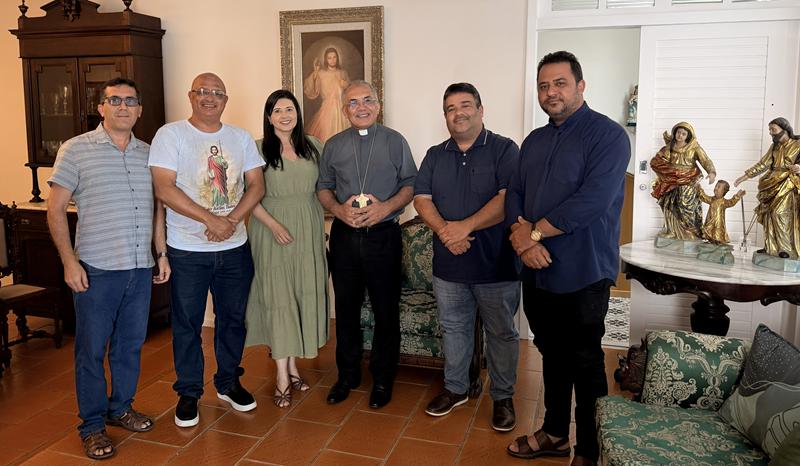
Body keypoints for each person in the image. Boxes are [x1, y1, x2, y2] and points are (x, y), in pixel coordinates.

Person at [504, 51, 630, 466]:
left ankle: (591, 450)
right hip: (536, 271)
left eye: (559, 83)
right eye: (544, 85)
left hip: (584, 270)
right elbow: (515, 193)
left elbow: (593, 200)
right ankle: (556, 433)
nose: (550, 92)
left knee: (585, 360)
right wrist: (524, 241)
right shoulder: (534, 141)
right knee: (551, 354)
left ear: (580, 86)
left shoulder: (608, 136)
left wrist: (534, 233)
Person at [47, 77, 170, 460]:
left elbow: (158, 208)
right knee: (91, 350)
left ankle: (120, 408)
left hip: (139, 268)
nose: (123, 107)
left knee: (129, 346)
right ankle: (92, 426)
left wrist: (161, 253)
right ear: (101, 107)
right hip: (96, 269)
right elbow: (55, 209)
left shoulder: (148, 154)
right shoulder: (76, 149)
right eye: (114, 100)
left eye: (130, 101)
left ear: (139, 110)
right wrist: (69, 262)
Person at [149, 72, 266, 427]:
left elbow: (256, 186)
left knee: (233, 319)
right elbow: (164, 189)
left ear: (225, 100)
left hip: (234, 249)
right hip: (187, 250)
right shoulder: (171, 135)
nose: (209, 97)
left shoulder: (240, 137)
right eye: (202, 91)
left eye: (217, 92)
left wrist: (230, 221)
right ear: (191, 96)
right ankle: (188, 392)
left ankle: (228, 382)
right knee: (187, 323)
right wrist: (210, 220)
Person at [414, 83, 520, 431]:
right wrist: (447, 232)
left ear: (480, 109)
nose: (458, 113)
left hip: (496, 265)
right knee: (454, 329)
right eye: (450, 108)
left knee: (501, 333)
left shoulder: (504, 149)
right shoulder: (435, 154)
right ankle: (456, 388)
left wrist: (464, 227)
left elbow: (507, 199)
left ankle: (502, 397)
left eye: (465, 105)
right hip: (449, 266)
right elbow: (421, 199)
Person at [317, 80, 417, 409]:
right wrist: (338, 210)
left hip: (384, 236)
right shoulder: (333, 145)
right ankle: (347, 376)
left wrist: (386, 208)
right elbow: (323, 188)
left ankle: (383, 378)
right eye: (353, 102)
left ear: (378, 105)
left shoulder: (395, 141)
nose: (361, 107)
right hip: (345, 237)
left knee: (386, 311)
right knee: (345, 310)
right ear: (344, 110)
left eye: (367, 100)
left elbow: (410, 183)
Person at [244, 89, 328, 408]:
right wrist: (274, 225)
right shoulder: (256, 149)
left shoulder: (314, 146)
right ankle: (281, 375)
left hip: (308, 228)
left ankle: (292, 366)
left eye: (289, 109)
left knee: (299, 296)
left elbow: (325, 188)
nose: (284, 115)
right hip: (271, 230)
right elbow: (247, 197)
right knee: (279, 299)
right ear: (269, 117)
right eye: (277, 110)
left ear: (297, 113)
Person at [735, 117, 800, 259]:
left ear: (784, 129)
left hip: (787, 183)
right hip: (771, 183)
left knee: (779, 213)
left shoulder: (798, 144)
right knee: (768, 215)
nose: (770, 132)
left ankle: (785, 248)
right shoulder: (774, 147)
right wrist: (745, 176)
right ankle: (771, 247)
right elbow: (763, 164)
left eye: (773, 129)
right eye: (770, 130)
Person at [650, 121, 716, 241]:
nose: (680, 135)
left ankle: (690, 232)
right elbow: (656, 160)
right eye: (678, 132)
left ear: (688, 136)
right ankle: (671, 230)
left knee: (685, 204)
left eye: (683, 134)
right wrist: (665, 169)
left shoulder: (694, 148)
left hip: (688, 180)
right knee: (668, 204)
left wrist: (711, 172)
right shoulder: (669, 147)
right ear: (675, 133)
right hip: (671, 180)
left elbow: (706, 160)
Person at [304, 47, 351, 142]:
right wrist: (315, 71)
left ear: (337, 58)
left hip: (342, 109)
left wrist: (346, 85)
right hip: (327, 109)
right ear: (326, 59)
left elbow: (350, 91)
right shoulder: (321, 73)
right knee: (327, 136)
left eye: (334, 57)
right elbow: (310, 88)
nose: (332, 60)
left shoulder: (343, 73)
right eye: (329, 58)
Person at [698, 180, 745, 245]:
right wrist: (699, 188)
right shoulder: (711, 199)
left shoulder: (723, 202)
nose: (716, 188)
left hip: (718, 224)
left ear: (724, 191)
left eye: (718, 187)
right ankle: (711, 243)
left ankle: (717, 244)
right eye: (716, 186)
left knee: (718, 235)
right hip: (710, 222)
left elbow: (731, 202)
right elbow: (703, 197)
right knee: (709, 233)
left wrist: (737, 196)